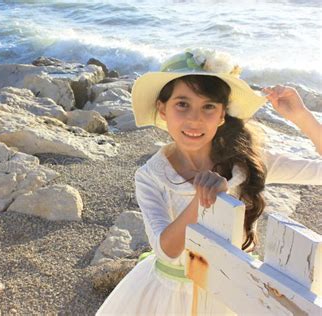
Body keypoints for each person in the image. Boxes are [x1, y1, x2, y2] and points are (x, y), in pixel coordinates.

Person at [96, 49, 322, 315]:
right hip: (169, 294)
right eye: (182, 104)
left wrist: (301, 117)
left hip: (233, 292)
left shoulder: (247, 162)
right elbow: (165, 250)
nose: (195, 118)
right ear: (162, 109)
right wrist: (200, 201)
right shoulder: (151, 175)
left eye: (209, 107)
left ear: (222, 115)